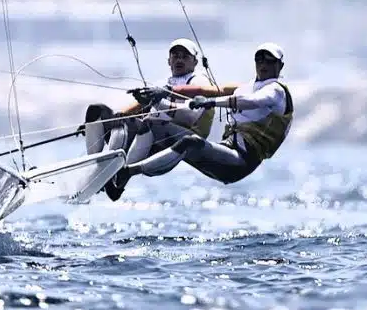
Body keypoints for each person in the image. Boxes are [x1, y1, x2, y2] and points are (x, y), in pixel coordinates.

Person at [124, 42, 294, 185]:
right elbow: (204, 90)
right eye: (260, 60)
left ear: (280, 66)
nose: (264, 65)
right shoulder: (245, 87)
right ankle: (118, 178)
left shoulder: (276, 90)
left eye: (270, 61)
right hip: (224, 152)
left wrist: (211, 102)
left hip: (239, 162)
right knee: (152, 123)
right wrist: (167, 91)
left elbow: (253, 102)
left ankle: (128, 172)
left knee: (190, 142)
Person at [82, 38, 216, 200]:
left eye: (185, 56)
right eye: (175, 56)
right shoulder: (163, 83)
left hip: (178, 138)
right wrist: (101, 124)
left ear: (195, 62)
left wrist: (157, 100)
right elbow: (133, 110)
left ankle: (119, 179)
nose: (179, 59)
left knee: (148, 123)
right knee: (96, 110)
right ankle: (96, 168)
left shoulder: (198, 81)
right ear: (169, 61)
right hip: (148, 134)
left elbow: (189, 117)